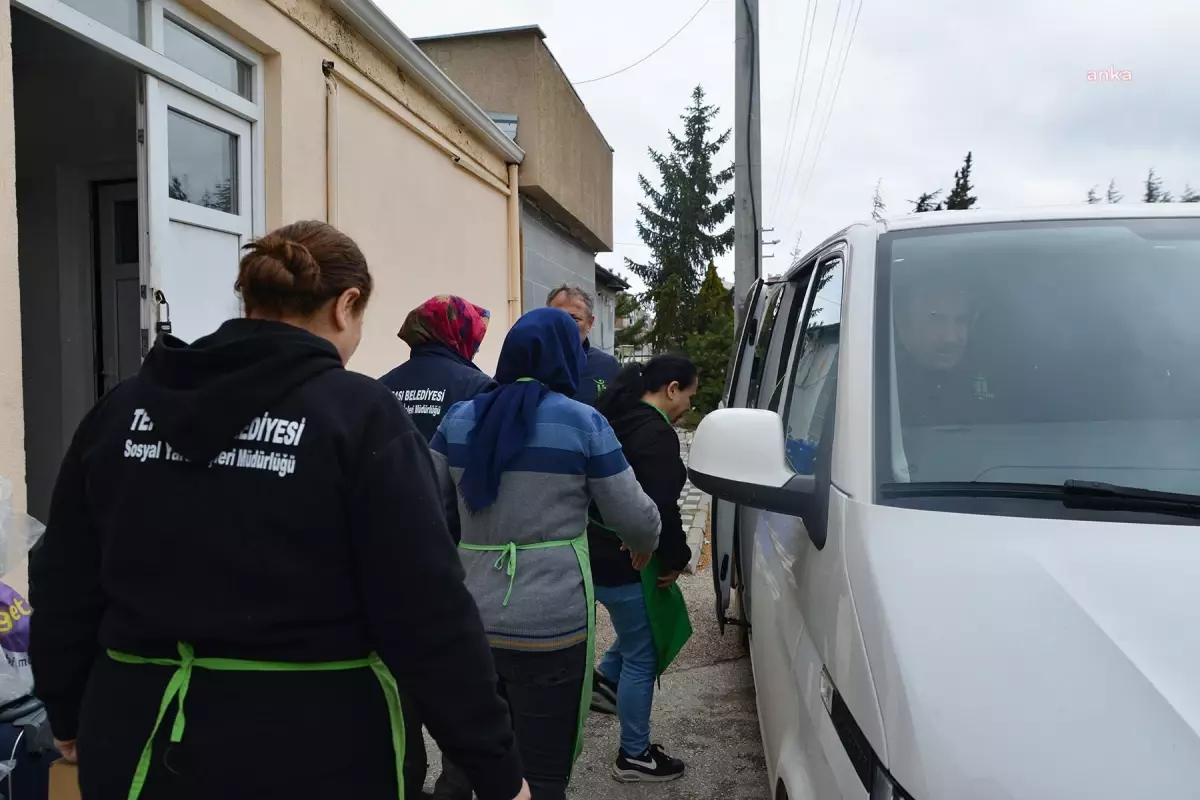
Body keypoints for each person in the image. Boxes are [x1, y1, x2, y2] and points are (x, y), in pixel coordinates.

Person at [28, 220, 530, 800]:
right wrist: (496, 769)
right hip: (317, 753)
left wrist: (66, 709)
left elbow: (63, 577)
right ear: (346, 306)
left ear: (249, 300)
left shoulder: (121, 410)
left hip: (138, 742)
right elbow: (427, 613)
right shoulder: (360, 416)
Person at [429, 307, 662, 800]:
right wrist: (644, 547)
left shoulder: (459, 419)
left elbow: (427, 508)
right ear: (565, 358)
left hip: (469, 623)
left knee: (469, 761)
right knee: (543, 771)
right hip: (551, 627)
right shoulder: (583, 423)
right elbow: (635, 515)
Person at [380, 295, 495, 799]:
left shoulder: (377, 391)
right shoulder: (480, 390)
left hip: (387, 561)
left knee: (398, 690)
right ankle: (453, 788)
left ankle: (404, 784)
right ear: (459, 335)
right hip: (459, 562)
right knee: (461, 685)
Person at [588, 356, 698, 783]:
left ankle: (604, 681)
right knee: (643, 653)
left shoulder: (619, 420)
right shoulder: (654, 434)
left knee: (636, 635)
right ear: (672, 389)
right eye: (690, 393)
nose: (691, 402)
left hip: (596, 552)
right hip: (627, 560)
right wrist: (676, 558)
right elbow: (660, 510)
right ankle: (633, 756)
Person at [380, 295, 497, 443]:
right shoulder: (480, 388)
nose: (476, 349)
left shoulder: (381, 386)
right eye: (474, 340)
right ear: (459, 334)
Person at [893, 276, 996, 427]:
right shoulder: (875, 390)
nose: (951, 338)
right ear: (903, 325)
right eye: (936, 321)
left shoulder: (997, 378)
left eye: (961, 320)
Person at [546, 284, 620, 406]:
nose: (565, 325)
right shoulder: (530, 364)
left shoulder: (608, 366)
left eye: (574, 318)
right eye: (557, 318)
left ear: (590, 323)